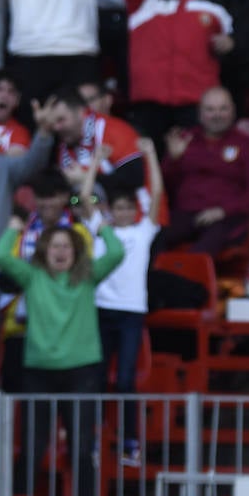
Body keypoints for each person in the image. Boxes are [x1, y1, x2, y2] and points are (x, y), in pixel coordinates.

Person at [0, 205, 125, 496]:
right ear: (43, 251)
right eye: (55, 246)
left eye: (67, 246)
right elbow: (0, 254)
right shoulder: (31, 276)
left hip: (82, 371)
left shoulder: (88, 275)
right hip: (39, 370)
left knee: (82, 448)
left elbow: (119, 251)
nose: (61, 252)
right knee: (33, 447)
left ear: (76, 251)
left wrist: (100, 223)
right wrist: (14, 225)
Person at [91, 139, 162, 465]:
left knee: (124, 381)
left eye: (128, 208)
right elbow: (83, 195)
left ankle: (130, 443)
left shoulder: (143, 231)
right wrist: (95, 162)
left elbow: (157, 194)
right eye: (117, 208)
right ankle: (92, 440)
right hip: (101, 310)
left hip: (132, 313)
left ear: (135, 211)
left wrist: (150, 155)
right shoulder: (100, 228)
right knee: (97, 378)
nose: (123, 213)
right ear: (110, 210)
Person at [118, 0, 234, 140]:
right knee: (150, 162)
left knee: (194, 163)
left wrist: (230, 43)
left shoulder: (213, 3)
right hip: (150, 102)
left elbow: (238, 41)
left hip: (195, 103)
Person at [157, 85, 249, 256]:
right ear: (200, 113)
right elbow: (163, 187)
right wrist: (174, 160)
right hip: (186, 214)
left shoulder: (248, 144)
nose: (217, 115)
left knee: (202, 250)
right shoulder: (184, 140)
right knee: (152, 238)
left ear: (233, 111)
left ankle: (189, 282)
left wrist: (223, 211)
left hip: (227, 217)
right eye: (210, 109)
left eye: (223, 109)